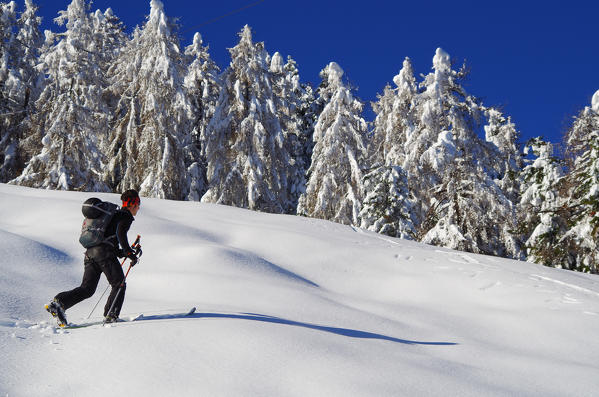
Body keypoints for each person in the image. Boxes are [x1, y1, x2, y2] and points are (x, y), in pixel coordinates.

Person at [46, 189, 141, 325]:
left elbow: (110, 240)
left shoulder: (112, 215)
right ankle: (111, 315)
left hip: (90, 253)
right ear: (132, 204)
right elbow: (121, 234)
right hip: (104, 254)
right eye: (138, 204)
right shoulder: (125, 216)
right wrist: (129, 252)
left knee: (87, 289)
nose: (138, 208)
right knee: (119, 283)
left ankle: (59, 303)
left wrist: (125, 252)